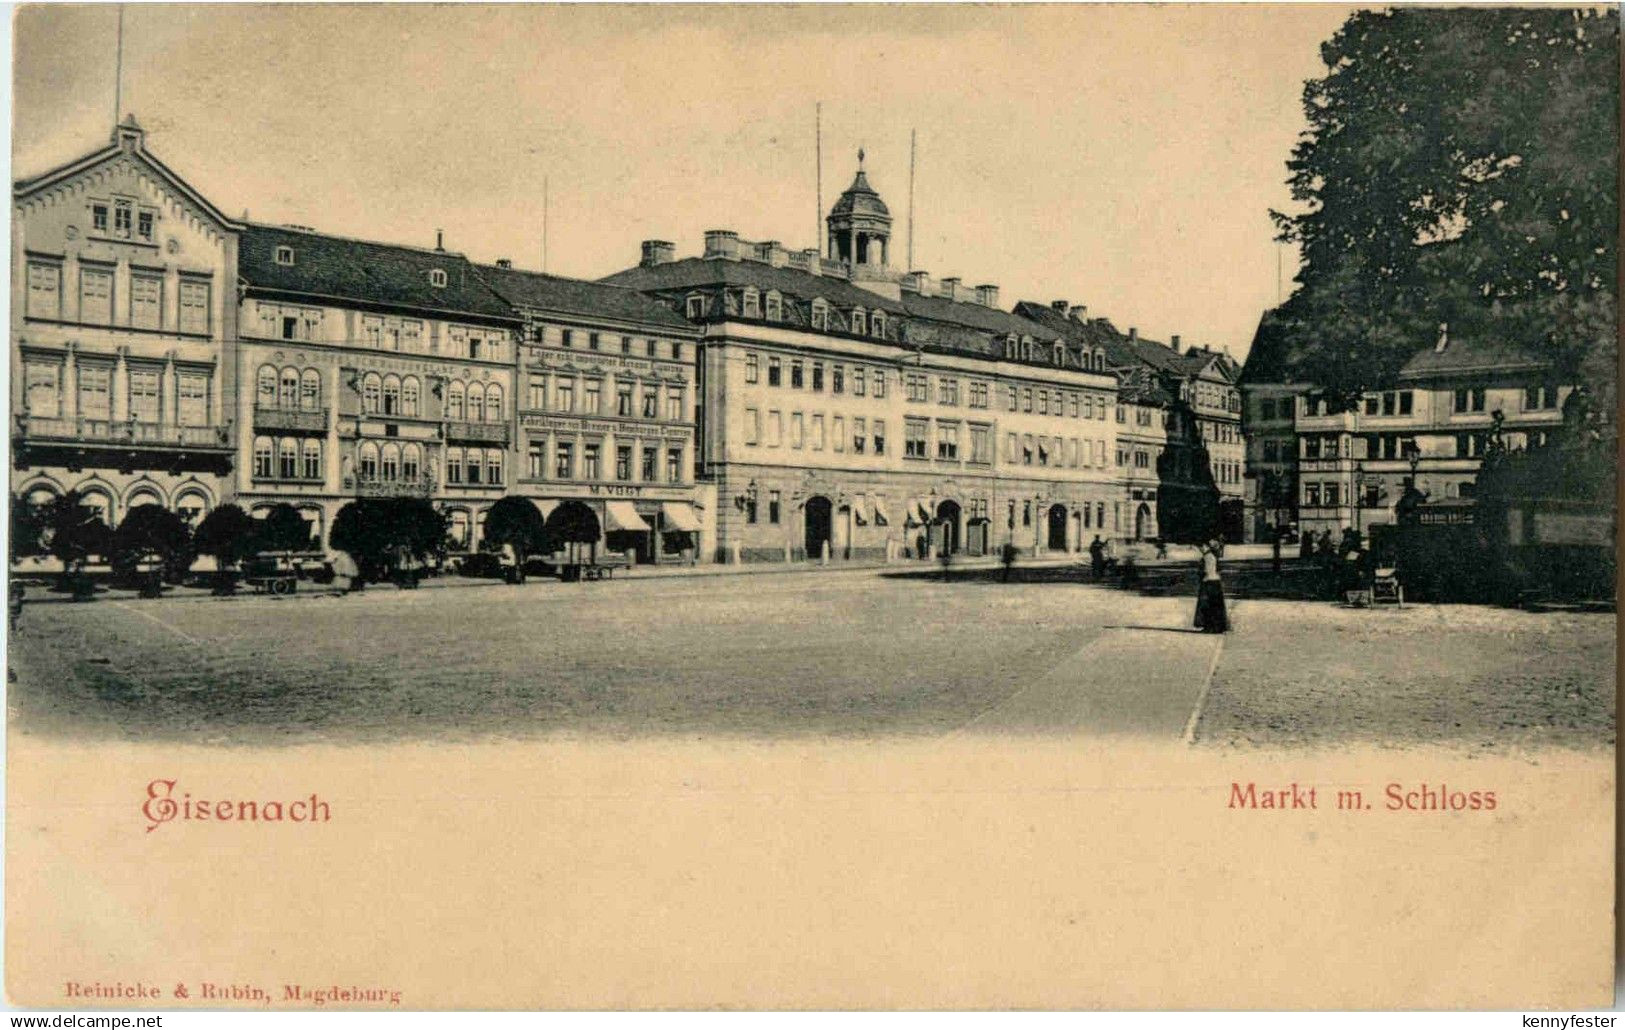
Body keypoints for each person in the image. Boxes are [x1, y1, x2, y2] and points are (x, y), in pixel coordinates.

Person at [1193, 539, 1230, 633]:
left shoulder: (1207, 556)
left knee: (1207, 606)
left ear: (1206, 546)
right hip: (1216, 581)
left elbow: (1207, 570)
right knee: (1216, 606)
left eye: (1201, 547)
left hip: (1209, 582)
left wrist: (1201, 577)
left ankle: (1209, 627)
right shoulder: (1213, 555)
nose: (1200, 549)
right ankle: (1218, 627)